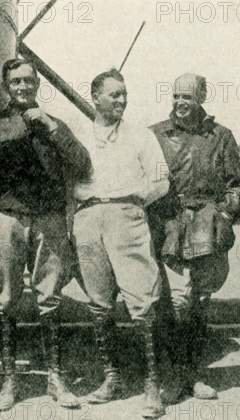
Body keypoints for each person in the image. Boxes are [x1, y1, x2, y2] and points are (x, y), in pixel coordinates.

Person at [0, 58, 91, 411]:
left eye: (28, 82)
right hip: (5, 218)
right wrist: (8, 136)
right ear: (6, 87)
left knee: (50, 297)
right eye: (15, 82)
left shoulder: (53, 124)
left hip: (48, 219)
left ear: (37, 85)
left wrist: (51, 127)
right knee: (4, 298)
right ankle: (9, 380)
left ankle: (55, 376)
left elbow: (82, 164)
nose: (22, 87)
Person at [72, 69, 170, 419]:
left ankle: (152, 385)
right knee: (99, 302)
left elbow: (161, 181)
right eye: (115, 94)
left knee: (142, 301)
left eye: (125, 94)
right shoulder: (78, 135)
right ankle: (111, 378)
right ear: (95, 97)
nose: (122, 100)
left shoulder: (140, 135)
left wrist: (135, 200)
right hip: (87, 219)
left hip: (127, 217)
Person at [148, 73, 240, 401]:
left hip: (208, 227)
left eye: (187, 97)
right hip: (171, 227)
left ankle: (194, 375)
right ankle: (173, 376)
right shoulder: (155, 135)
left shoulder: (221, 136)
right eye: (175, 96)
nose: (179, 103)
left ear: (202, 98)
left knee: (201, 303)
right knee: (177, 301)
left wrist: (223, 214)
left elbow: (238, 184)